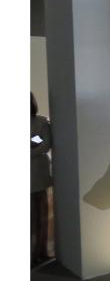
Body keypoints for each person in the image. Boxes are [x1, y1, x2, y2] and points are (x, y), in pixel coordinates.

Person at [31, 92, 52, 266]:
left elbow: (45, 145)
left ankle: (40, 252)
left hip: (38, 175)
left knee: (41, 216)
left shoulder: (41, 122)